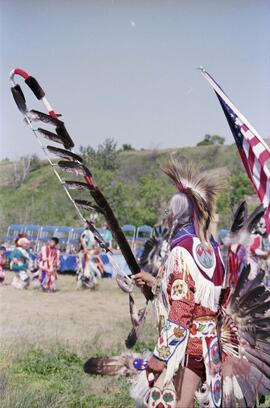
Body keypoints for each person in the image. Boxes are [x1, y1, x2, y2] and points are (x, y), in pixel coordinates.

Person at [132, 159, 224, 407]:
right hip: (208, 346)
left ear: (176, 215)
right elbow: (200, 296)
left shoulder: (181, 252)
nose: (167, 217)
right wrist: (156, 282)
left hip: (186, 349)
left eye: (168, 213)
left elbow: (182, 308)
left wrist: (160, 356)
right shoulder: (212, 249)